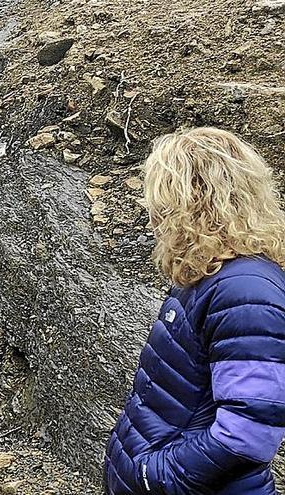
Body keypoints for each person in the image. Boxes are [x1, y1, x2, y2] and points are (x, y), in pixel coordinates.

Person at [104, 127, 285, 494]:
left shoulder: (246, 291)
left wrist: (151, 476)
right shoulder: (209, 273)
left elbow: (248, 431)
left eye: (159, 199)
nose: (152, 213)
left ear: (191, 200)